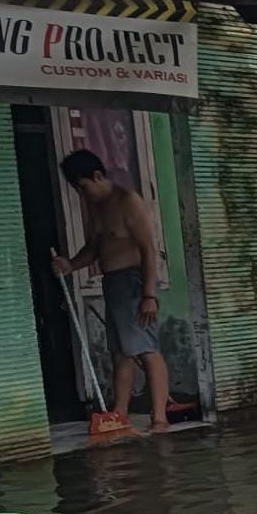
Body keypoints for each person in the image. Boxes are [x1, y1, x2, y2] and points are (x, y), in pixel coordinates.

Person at [52, 149, 170, 431]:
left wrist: (149, 295)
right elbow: (94, 249)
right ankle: (119, 414)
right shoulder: (96, 208)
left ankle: (159, 418)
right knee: (121, 353)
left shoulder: (129, 201)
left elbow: (149, 251)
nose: (82, 194)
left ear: (98, 176)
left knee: (146, 350)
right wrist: (70, 265)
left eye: (83, 187)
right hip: (113, 284)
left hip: (135, 283)